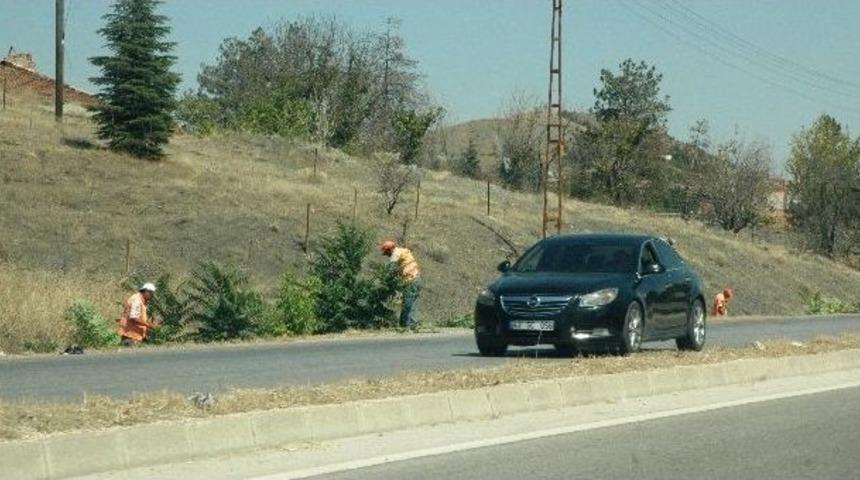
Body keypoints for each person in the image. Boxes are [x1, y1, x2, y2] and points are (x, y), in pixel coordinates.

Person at [381, 240, 422, 329]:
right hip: (417, 279)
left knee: (407, 304)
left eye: (387, 252)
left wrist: (384, 281)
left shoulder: (395, 254)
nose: (387, 255)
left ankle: (406, 325)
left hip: (411, 280)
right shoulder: (403, 252)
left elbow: (391, 269)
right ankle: (409, 324)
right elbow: (398, 269)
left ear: (390, 249)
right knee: (411, 303)